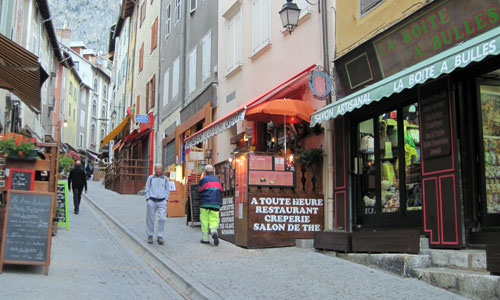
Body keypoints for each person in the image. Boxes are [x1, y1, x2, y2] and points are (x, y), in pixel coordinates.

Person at [145, 164, 170, 245]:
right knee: (150, 219)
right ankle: (150, 235)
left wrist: (166, 199)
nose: (158, 170)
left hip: (162, 201)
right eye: (157, 169)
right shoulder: (151, 178)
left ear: (162, 170)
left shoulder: (165, 179)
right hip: (152, 200)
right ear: (155, 170)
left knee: (162, 218)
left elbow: (167, 190)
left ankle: (160, 236)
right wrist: (148, 199)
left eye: (160, 169)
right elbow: (147, 188)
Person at [198, 165, 222, 246]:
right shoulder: (217, 179)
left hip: (205, 202)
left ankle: (205, 239)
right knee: (214, 219)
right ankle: (214, 231)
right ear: (213, 172)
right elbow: (220, 190)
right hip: (216, 203)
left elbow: (200, 189)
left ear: (205, 172)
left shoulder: (204, 179)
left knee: (204, 220)